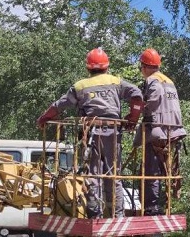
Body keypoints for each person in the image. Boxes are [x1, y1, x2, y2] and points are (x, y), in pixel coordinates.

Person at [36, 47, 143, 219]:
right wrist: (133, 118)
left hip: (91, 133)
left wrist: (43, 118)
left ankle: (95, 215)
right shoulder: (116, 82)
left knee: (93, 174)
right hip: (113, 132)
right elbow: (137, 95)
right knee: (114, 175)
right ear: (107, 66)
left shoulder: (80, 86)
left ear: (88, 67)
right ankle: (118, 216)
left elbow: (59, 105)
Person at [130, 48, 186, 216]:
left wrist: (133, 112)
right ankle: (161, 205)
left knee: (150, 172)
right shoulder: (168, 81)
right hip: (173, 132)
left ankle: (151, 208)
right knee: (165, 170)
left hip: (157, 132)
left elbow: (151, 103)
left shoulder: (153, 81)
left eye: (141, 66)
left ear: (145, 66)